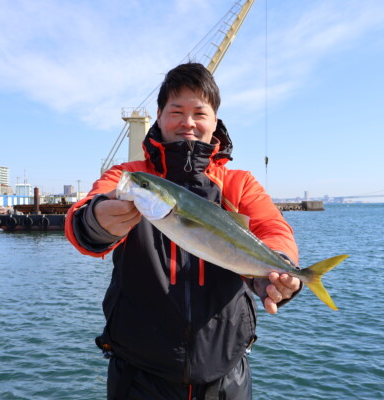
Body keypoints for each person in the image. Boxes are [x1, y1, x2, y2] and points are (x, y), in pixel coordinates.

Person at [65, 62, 301, 399]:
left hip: (226, 376)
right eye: (176, 111)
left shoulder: (238, 183)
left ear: (215, 121)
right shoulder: (130, 175)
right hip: (138, 376)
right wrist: (98, 219)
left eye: (199, 112)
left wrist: (279, 269)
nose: (187, 122)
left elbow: (273, 228)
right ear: (159, 116)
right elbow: (82, 219)